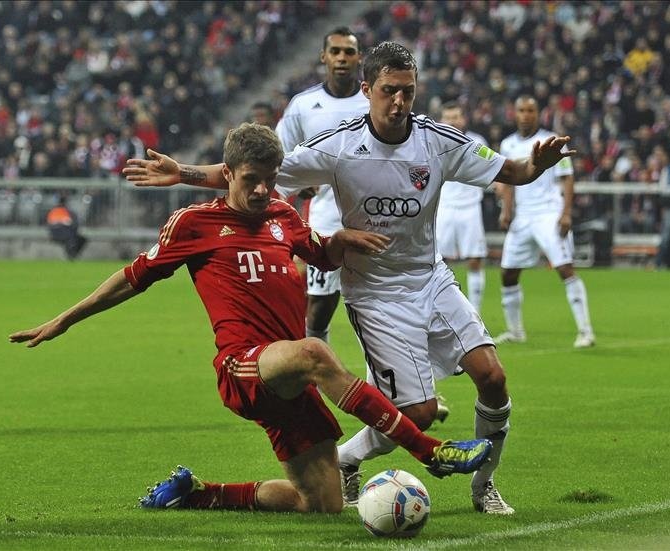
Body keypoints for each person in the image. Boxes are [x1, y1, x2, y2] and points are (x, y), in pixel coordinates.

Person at [123, 42, 576, 515]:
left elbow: (515, 170)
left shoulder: (439, 141)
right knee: (417, 414)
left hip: (430, 277)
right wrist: (185, 174)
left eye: (408, 91)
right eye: (389, 91)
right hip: (375, 291)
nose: (399, 102)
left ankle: (484, 486)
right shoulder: (338, 145)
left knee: (494, 377)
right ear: (368, 91)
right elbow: (259, 173)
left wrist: (536, 165)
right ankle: (346, 459)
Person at [10, 123, 492, 514]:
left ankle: (197, 493)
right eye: (250, 180)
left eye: (270, 178)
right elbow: (130, 277)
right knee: (314, 351)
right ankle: (431, 451)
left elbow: (320, 256)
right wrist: (65, 320)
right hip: (244, 367)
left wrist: (340, 241)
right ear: (229, 173)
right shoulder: (193, 224)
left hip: (289, 381)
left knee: (319, 506)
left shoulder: (284, 214)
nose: (262, 189)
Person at [275, 27, 369, 345]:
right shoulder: (303, 105)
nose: (342, 58)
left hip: (373, 217)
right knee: (318, 308)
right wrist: (298, 184)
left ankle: (394, 390)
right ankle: (313, 379)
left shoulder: (374, 101)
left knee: (378, 310)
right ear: (324, 56)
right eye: (336, 51)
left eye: (349, 52)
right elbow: (278, 157)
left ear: (359, 58)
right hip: (326, 220)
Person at [494, 95, 595, 349]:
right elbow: (507, 180)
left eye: (530, 110)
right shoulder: (508, 144)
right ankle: (515, 331)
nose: (526, 115)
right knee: (508, 273)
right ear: (514, 113)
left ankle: (585, 331)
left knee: (564, 268)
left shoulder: (552, 140)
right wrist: (507, 210)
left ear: (538, 114)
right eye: (521, 110)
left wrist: (566, 213)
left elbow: (567, 178)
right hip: (523, 216)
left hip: (549, 213)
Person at [436, 101, 489, 312]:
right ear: (441, 120)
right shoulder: (434, 142)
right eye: (448, 117)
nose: (452, 121)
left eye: (456, 116)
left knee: (475, 260)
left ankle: (474, 312)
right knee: (439, 262)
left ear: (463, 119)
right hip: (444, 208)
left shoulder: (477, 142)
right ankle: (444, 309)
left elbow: (491, 169)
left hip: (470, 208)